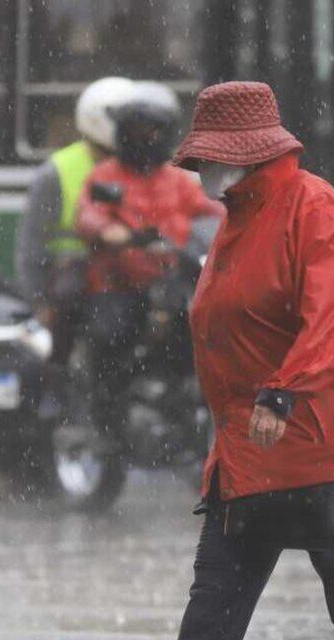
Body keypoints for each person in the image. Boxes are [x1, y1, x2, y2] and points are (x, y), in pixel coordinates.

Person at [173, 81, 334, 640]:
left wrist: (283, 392)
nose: (202, 165)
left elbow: (331, 317)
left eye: (211, 153)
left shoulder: (315, 208)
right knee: (213, 607)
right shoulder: (238, 216)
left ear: (246, 153)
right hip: (252, 447)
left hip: (330, 443)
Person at [75, 81, 224, 436]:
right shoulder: (106, 176)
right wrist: (110, 232)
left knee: (200, 333)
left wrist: (235, 221)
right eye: (139, 130)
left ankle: (183, 400)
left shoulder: (177, 180)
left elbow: (214, 210)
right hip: (119, 282)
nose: (146, 138)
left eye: (153, 130)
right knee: (113, 336)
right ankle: (107, 418)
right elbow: (89, 214)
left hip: (172, 281)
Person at [16, 76, 137, 362]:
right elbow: (31, 245)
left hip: (127, 285)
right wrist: (38, 303)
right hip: (72, 291)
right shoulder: (56, 172)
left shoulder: (146, 166)